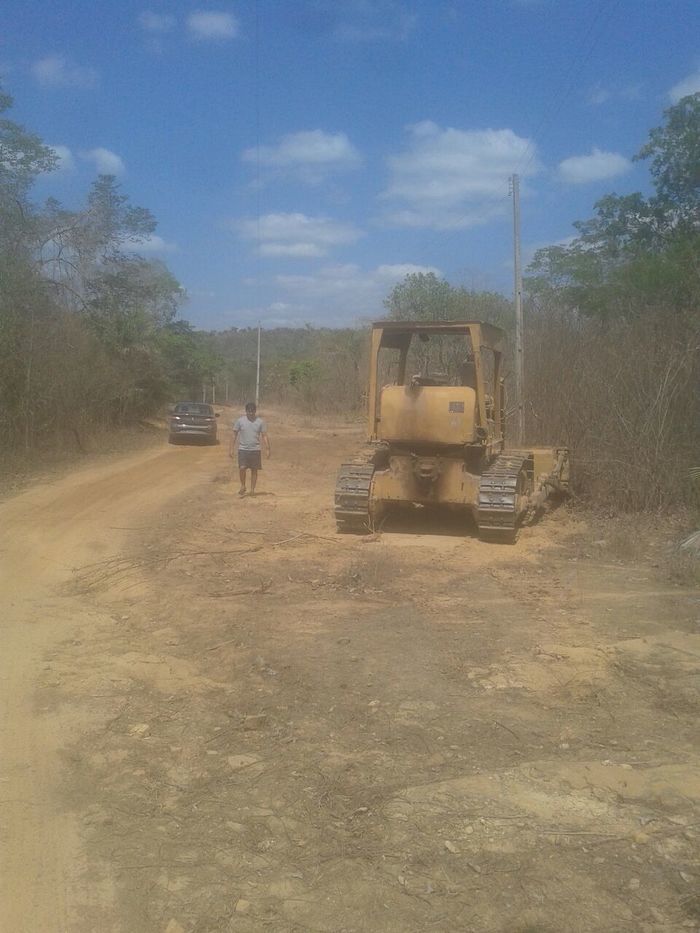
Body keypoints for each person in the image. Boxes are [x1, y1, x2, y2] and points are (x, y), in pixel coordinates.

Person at [230, 402, 270, 497]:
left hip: (255, 449)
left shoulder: (260, 422)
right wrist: (231, 449)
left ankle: (252, 490)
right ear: (246, 411)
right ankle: (243, 486)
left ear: (255, 411)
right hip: (243, 449)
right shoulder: (240, 421)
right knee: (242, 468)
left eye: (252, 411)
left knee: (254, 470)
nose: (251, 413)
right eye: (249, 411)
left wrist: (268, 448)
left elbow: (264, 435)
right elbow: (234, 435)